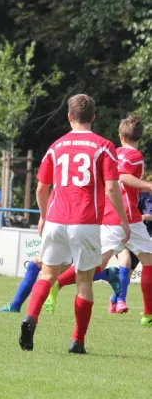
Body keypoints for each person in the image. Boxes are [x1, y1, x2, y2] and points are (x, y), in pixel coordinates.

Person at [18, 94, 130, 355]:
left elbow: (41, 188)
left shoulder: (56, 147)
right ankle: (77, 340)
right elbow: (112, 187)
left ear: (69, 117)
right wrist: (123, 220)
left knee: (47, 274)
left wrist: (45, 216)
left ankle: (31, 317)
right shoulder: (104, 146)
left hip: (56, 218)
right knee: (84, 280)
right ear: (93, 116)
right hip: (85, 220)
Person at [44, 115, 152, 324]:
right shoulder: (135, 155)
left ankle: (57, 284)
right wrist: (148, 186)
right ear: (140, 136)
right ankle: (148, 314)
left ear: (120, 136)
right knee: (148, 261)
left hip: (108, 214)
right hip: (127, 217)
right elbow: (122, 177)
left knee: (95, 265)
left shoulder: (113, 152)